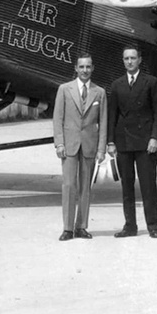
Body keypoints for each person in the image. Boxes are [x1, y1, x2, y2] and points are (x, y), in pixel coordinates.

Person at [106, 45, 157, 238]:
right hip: (124, 142)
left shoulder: (151, 82)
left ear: (140, 60)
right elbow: (112, 115)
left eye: (133, 58)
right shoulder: (117, 85)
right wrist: (110, 141)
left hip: (145, 143)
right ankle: (130, 226)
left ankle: (153, 226)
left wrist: (155, 137)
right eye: (126, 59)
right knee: (127, 186)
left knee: (148, 186)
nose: (129, 62)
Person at [53, 53, 108, 241]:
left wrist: (101, 149)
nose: (85, 70)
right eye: (81, 67)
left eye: (88, 67)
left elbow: (103, 122)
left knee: (86, 187)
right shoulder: (64, 89)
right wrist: (59, 143)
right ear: (76, 69)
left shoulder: (99, 92)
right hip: (69, 145)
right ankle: (67, 228)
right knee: (69, 185)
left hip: (89, 146)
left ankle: (81, 226)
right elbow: (57, 118)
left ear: (92, 69)